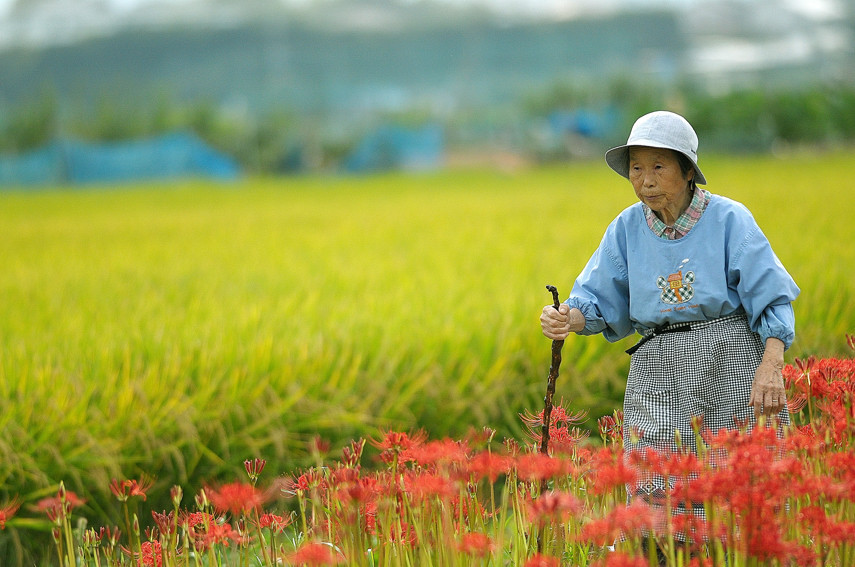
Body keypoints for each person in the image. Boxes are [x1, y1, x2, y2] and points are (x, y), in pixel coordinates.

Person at [539, 110, 799, 542]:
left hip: (730, 360)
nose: (645, 180)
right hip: (657, 368)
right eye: (636, 168)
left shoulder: (730, 220)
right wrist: (568, 318)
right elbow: (600, 300)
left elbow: (771, 296)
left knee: (736, 483)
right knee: (654, 486)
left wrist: (772, 364)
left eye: (658, 166)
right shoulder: (625, 229)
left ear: (687, 169)